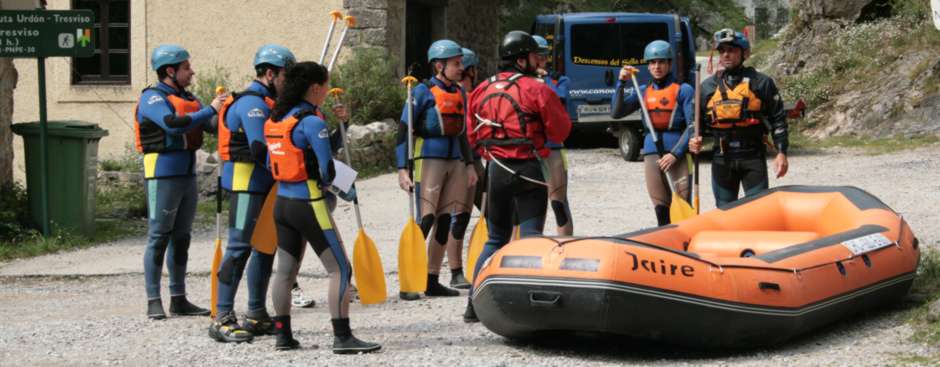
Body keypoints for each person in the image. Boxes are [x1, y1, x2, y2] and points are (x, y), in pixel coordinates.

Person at [263, 61, 380, 353]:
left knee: (285, 272)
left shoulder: (276, 119)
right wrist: (346, 187)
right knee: (340, 269)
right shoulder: (312, 122)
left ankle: (283, 336)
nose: (328, 91)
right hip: (309, 204)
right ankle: (342, 337)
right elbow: (326, 171)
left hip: (282, 204)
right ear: (315, 87)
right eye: (326, 85)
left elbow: (270, 163)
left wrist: (341, 125)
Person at [463, 31, 572, 322]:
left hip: (496, 171)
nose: (539, 60)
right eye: (534, 55)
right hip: (528, 170)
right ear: (521, 59)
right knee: (531, 238)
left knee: (495, 238)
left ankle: (473, 303)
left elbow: (471, 135)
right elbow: (561, 130)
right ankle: (529, 308)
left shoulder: (481, 89)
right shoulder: (536, 88)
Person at [208, 44, 295, 342]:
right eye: (286, 75)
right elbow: (261, 149)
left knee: (264, 247)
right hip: (248, 185)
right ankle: (221, 317)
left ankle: (256, 313)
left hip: (268, 185)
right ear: (270, 73)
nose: (290, 81)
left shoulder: (272, 101)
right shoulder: (252, 104)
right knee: (239, 248)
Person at [135, 44, 226, 320]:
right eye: (187, 68)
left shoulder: (188, 97)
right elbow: (172, 124)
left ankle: (179, 298)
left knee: (182, 237)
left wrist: (226, 111)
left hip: (187, 174)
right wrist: (210, 108)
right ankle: (153, 299)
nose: (192, 72)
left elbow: (209, 126)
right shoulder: (152, 98)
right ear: (170, 71)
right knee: (159, 236)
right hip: (162, 173)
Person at [396, 40, 478, 299]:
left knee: (444, 221)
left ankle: (431, 280)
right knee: (427, 219)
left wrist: (469, 165)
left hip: (454, 160)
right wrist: (402, 168)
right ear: (439, 65)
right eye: (456, 63)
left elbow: (462, 133)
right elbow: (403, 131)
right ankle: (408, 281)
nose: (461, 67)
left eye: (461, 63)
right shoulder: (421, 91)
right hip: (428, 159)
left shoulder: (460, 93)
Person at [689, 29, 789, 206]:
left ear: (745, 53)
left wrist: (781, 152)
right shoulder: (707, 87)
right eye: (722, 51)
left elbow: (778, 119)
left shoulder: (761, 82)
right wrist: (694, 140)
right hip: (722, 159)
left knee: (758, 212)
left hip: (752, 157)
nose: (726, 54)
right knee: (726, 214)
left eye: (732, 50)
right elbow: (695, 123)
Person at [611, 40, 693, 226]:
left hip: (676, 153)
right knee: (661, 209)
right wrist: (621, 82)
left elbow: (693, 126)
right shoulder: (643, 92)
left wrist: (675, 154)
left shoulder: (684, 90)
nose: (657, 66)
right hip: (651, 152)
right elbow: (616, 112)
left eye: (662, 62)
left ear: (669, 64)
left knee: (683, 206)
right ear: (648, 66)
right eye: (653, 62)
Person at [533, 35, 573, 235]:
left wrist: (542, 79)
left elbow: (556, 100)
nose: (540, 60)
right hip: (528, 150)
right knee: (528, 206)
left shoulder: (560, 80)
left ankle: (565, 247)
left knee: (558, 203)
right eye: (536, 56)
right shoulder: (520, 81)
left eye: (543, 56)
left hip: (553, 148)